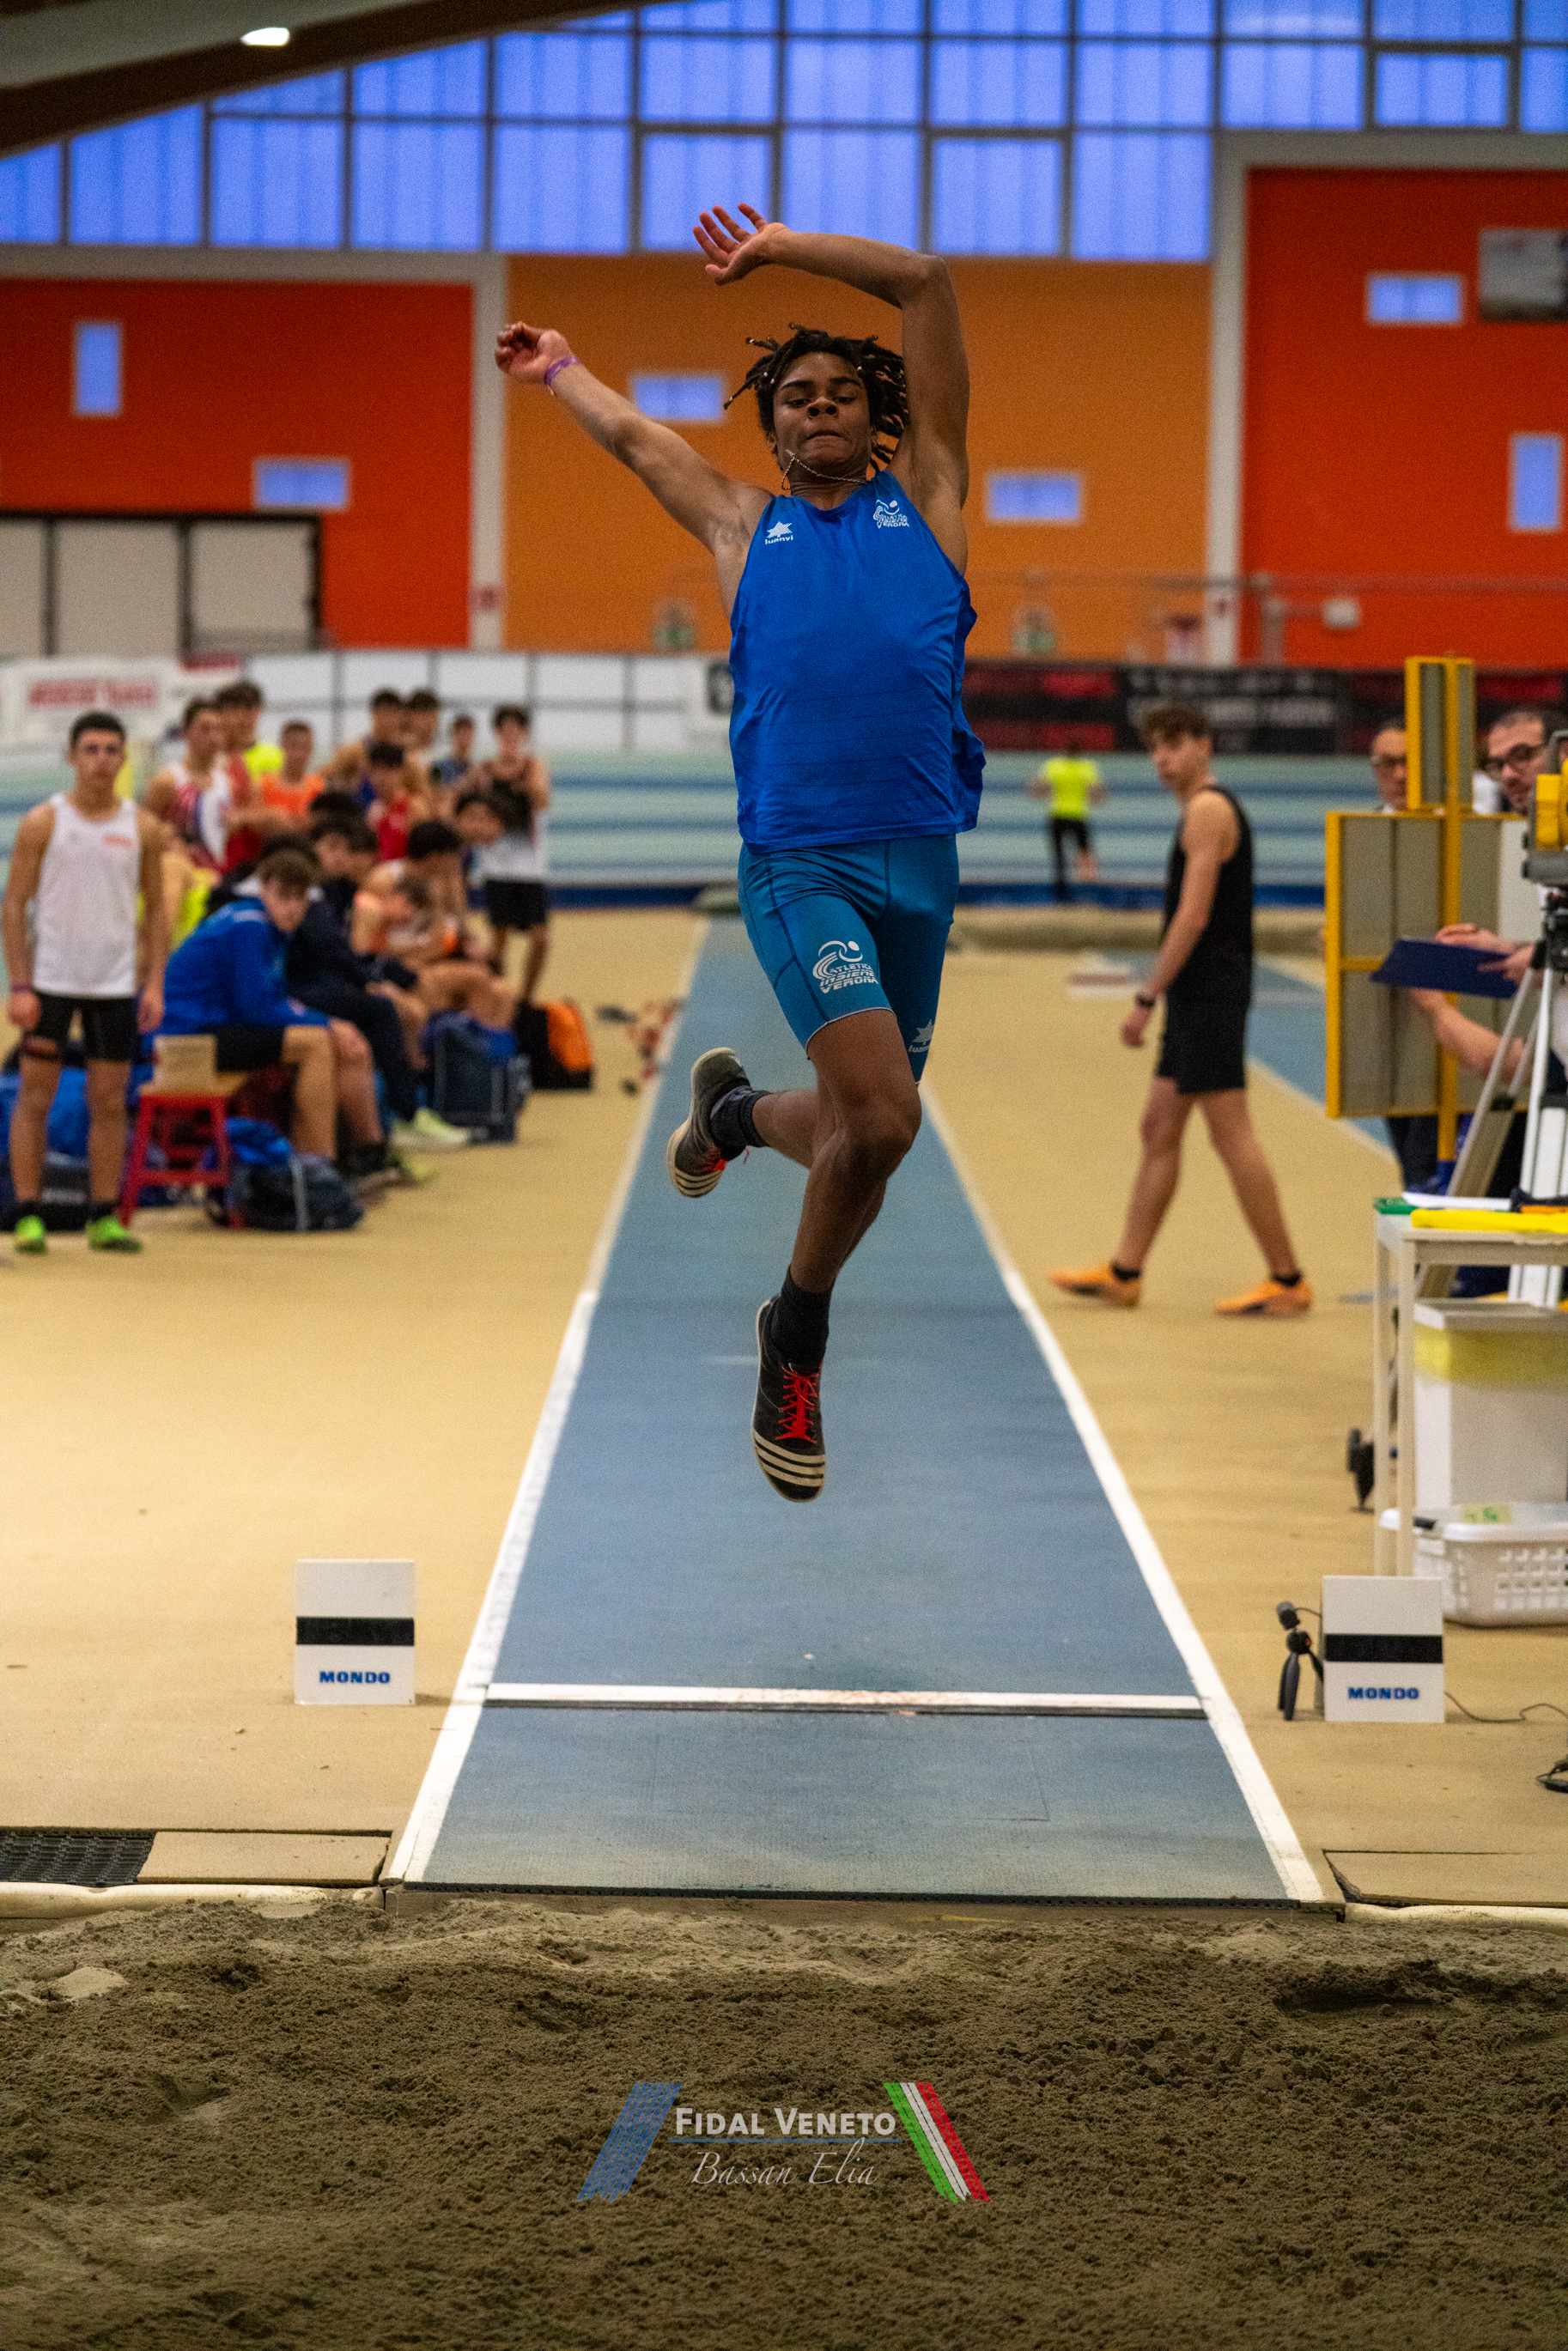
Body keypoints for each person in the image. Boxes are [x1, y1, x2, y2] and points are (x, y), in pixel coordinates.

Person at [497, 200, 984, 1502]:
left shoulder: (930, 500)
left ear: (878, 419)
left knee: (861, 1133)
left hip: (919, 861)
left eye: (840, 394)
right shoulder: (738, 526)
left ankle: (729, 1116)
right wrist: (561, 368)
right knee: (885, 1112)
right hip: (800, 861)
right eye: (796, 397)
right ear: (770, 429)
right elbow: (633, 438)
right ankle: (796, 1337)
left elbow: (926, 281)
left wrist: (778, 248)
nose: (818, 407)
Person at [1049, 700, 1310, 1317]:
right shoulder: (1200, 810)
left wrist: (1146, 998)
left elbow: (1192, 917)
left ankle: (1287, 1278)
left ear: (1204, 745)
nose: (1162, 759)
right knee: (1159, 1128)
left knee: (1231, 1133)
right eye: (1155, 748)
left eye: (1174, 745)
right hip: (1200, 994)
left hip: (1209, 993)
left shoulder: (1208, 811)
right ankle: (1125, 1271)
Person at [2, 710, 168, 1255]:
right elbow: (13, 905)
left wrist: (154, 984)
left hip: (114, 986)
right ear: (72, 757)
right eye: (91, 749)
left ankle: (104, 1215)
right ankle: (28, 1212)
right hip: (50, 982)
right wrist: (20, 984)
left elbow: (157, 910)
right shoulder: (43, 822)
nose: (101, 760)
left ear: (123, 758)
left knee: (110, 1100)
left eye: (111, 750)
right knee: (36, 1096)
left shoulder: (142, 827)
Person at [160, 846, 381, 1168]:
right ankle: (319, 1167)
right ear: (264, 889)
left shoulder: (270, 927)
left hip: (218, 1027)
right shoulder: (247, 925)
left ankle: (368, 1152)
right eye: (283, 896)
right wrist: (326, 1022)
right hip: (184, 1039)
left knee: (344, 1041)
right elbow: (257, 1008)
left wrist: (326, 1021)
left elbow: (272, 998)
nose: (292, 908)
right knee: (317, 1043)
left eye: (299, 899)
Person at [286, 820, 469, 1156]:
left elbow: (343, 954)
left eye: (346, 850)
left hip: (327, 981)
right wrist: (372, 982)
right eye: (332, 849)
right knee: (387, 1011)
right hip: (306, 991)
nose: (343, 858)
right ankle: (401, 1117)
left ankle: (418, 1104)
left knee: (414, 995)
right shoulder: (315, 900)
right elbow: (343, 953)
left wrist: (378, 978)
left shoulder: (336, 892)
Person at [458, 722, 551, 995]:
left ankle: (526, 997)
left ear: (524, 735)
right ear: (497, 734)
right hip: (496, 867)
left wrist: (528, 787)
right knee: (498, 938)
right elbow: (458, 796)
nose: (510, 739)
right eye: (505, 732)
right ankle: (499, 994)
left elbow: (543, 801)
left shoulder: (534, 767)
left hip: (531, 869)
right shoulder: (484, 769)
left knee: (541, 939)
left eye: (516, 733)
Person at [145, 697, 229, 870]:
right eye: (205, 729)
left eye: (218, 729)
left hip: (216, 874)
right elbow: (142, 829)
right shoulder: (168, 781)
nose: (213, 737)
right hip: (179, 871)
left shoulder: (225, 782)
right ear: (186, 731)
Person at [1029, 732, 1105, 902]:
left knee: (1058, 855)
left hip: (1058, 815)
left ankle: (1061, 891)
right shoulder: (1087, 767)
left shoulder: (1054, 765)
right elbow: (1097, 794)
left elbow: (1038, 789)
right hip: (1079, 815)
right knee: (1085, 853)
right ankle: (1089, 891)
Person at [323, 690, 408, 793]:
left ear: (400, 716)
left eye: (393, 714)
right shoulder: (355, 750)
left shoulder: (407, 754)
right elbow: (322, 777)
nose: (388, 720)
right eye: (384, 714)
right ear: (374, 714)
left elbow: (420, 792)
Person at [214, 679, 283, 780]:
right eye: (234, 711)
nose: (240, 718)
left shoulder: (272, 756)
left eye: (248, 710)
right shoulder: (208, 757)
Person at [429, 713, 477, 813]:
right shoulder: (437, 766)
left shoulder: (476, 768)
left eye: (468, 733)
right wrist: (464, 783)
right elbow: (434, 793)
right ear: (452, 735)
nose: (464, 738)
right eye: (460, 733)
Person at [1369, 720, 1407, 811]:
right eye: (1387, 763)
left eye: (1407, 762)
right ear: (1374, 768)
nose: (1400, 776)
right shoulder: (1362, 822)